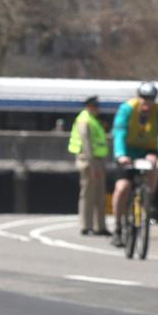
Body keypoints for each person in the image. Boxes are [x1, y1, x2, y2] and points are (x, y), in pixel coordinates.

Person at [110, 82, 158, 247]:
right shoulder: (127, 109)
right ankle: (117, 227)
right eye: (144, 98)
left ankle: (147, 201)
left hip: (149, 152)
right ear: (138, 97)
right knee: (122, 188)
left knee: (154, 168)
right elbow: (119, 131)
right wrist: (120, 154)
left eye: (150, 99)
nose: (147, 102)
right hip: (128, 153)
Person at [67, 95, 110, 236]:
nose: (98, 109)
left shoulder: (92, 119)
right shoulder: (84, 119)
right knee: (88, 195)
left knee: (99, 195)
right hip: (88, 161)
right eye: (96, 106)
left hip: (97, 160)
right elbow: (86, 144)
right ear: (89, 106)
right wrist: (92, 166)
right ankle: (86, 226)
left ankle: (100, 226)